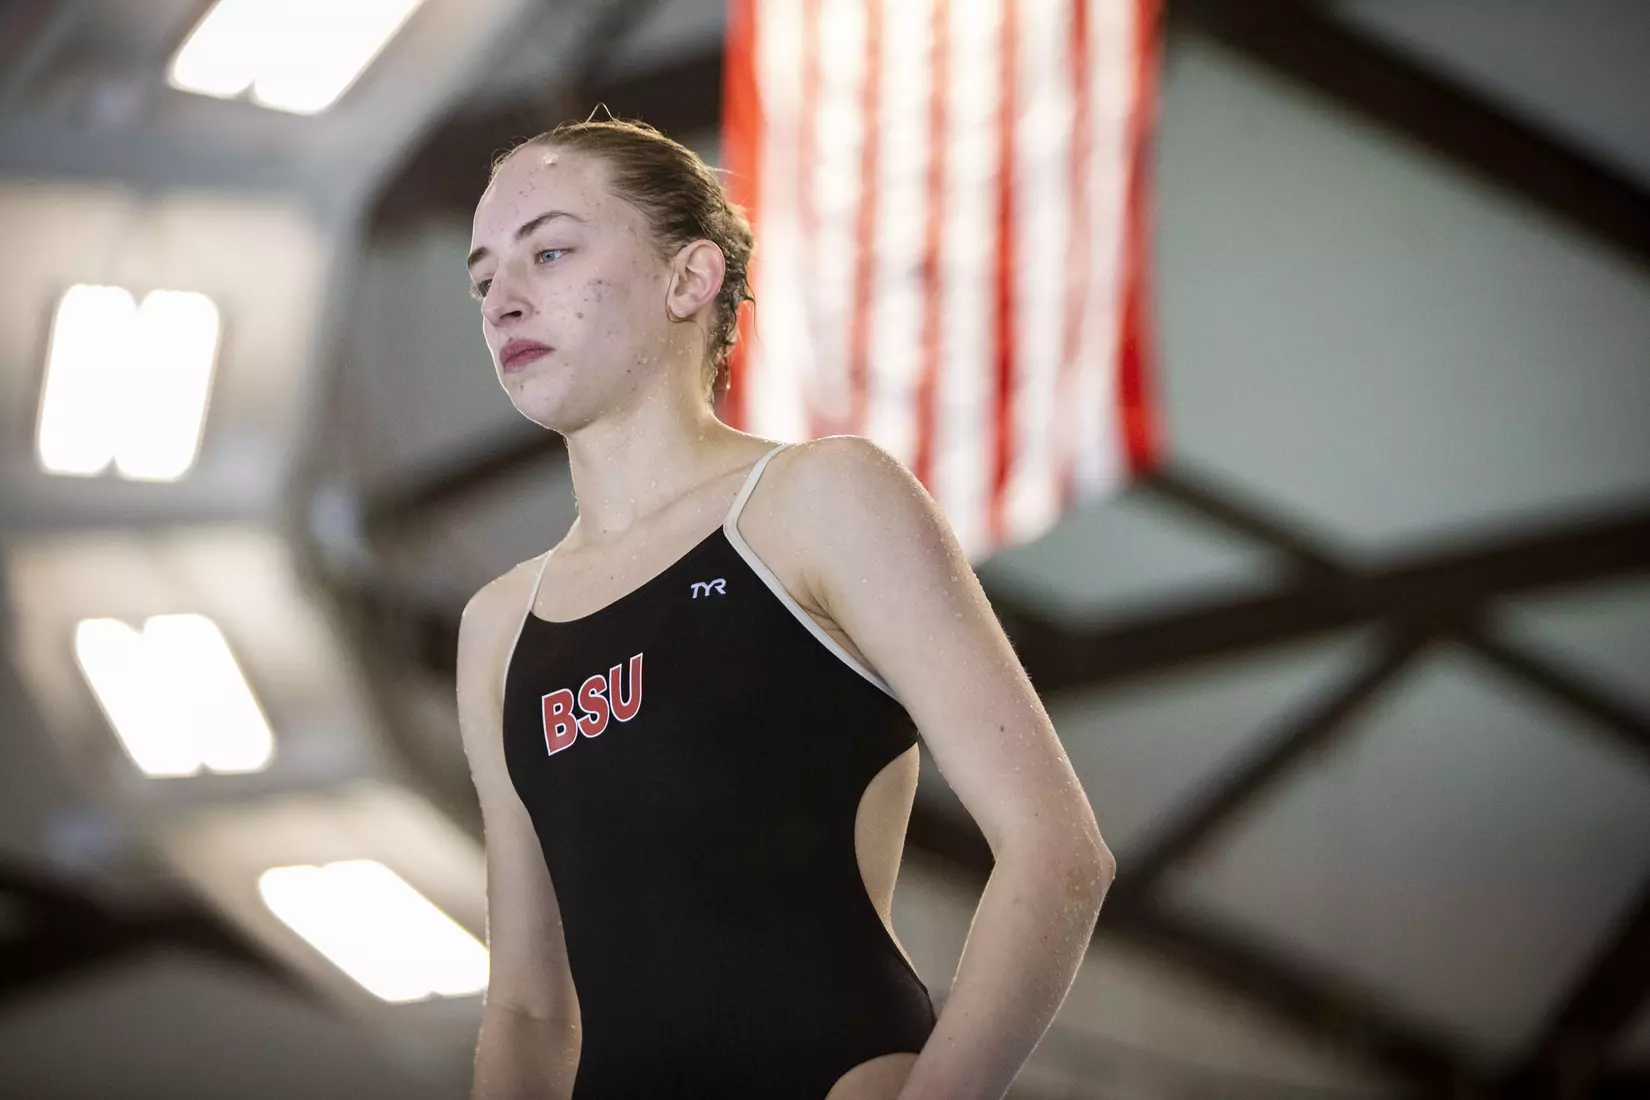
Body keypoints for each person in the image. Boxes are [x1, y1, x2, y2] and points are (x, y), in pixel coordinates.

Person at [455, 117, 1114, 1100]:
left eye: (549, 252)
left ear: (689, 279)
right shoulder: (500, 626)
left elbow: (1057, 848)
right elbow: (529, 1007)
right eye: (482, 279)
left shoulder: (818, 500)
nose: (504, 300)